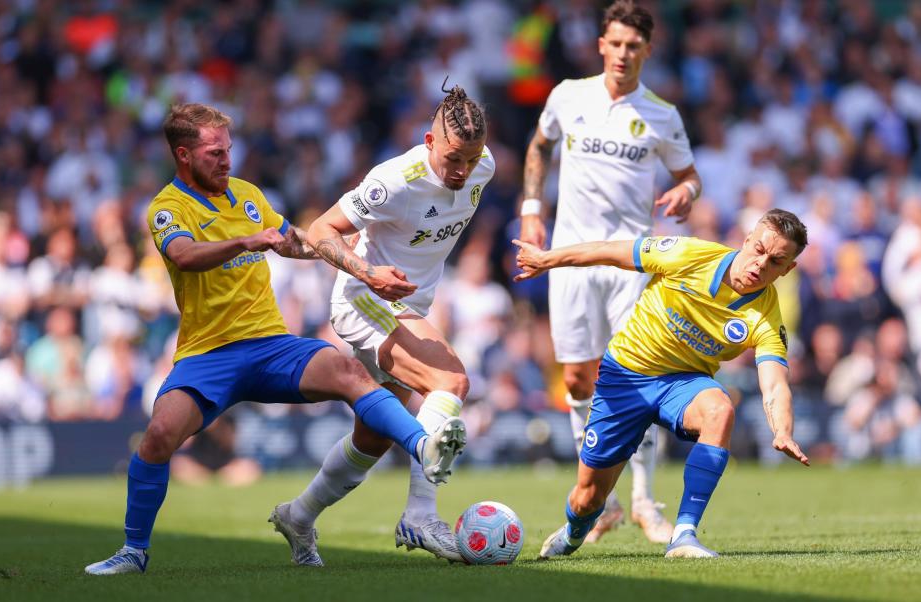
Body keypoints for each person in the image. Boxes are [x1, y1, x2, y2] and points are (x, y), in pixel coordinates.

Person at [84, 103, 465, 575]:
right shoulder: (167, 208)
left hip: (270, 345)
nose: (226, 160)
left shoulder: (247, 195)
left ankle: (422, 445)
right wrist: (245, 242)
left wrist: (362, 267)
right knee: (159, 435)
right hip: (208, 354)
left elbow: (297, 242)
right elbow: (184, 256)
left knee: (348, 371)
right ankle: (133, 551)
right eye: (213, 153)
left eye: (228, 150)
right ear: (183, 156)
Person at [272, 84, 493, 564]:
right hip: (365, 298)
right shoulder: (395, 179)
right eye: (453, 159)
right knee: (450, 381)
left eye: (471, 161)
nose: (462, 171)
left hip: (410, 306)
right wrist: (368, 272)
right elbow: (324, 229)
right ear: (429, 141)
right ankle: (420, 514)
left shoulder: (484, 165)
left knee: (371, 438)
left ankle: (298, 515)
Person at [513, 209, 811, 559]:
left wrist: (783, 430)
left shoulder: (765, 317)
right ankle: (575, 531)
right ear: (746, 240)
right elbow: (611, 251)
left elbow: (776, 383)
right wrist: (548, 259)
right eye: (758, 250)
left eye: (776, 261)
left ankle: (684, 534)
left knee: (720, 409)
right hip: (626, 377)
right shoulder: (689, 255)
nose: (761, 264)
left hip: (683, 383)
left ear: (787, 269)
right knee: (588, 497)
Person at [517, 0, 701, 544]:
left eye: (633, 46)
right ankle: (605, 501)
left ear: (648, 50)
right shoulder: (567, 95)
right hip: (571, 257)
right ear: (601, 44)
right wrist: (531, 211)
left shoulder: (662, 114)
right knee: (575, 379)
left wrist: (685, 193)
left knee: (632, 379)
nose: (623, 54)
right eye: (615, 43)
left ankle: (644, 498)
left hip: (630, 260)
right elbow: (539, 145)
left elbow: (690, 175)